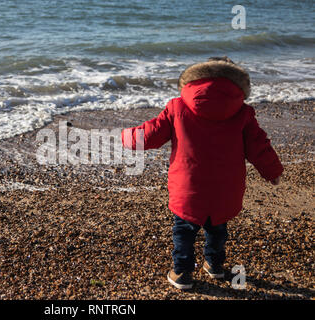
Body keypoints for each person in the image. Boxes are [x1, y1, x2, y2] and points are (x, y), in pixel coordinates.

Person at [121, 57, 283, 289]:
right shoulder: (243, 113)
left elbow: (152, 133)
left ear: (196, 79)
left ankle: (182, 273)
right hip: (225, 189)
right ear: (235, 83)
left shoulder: (177, 107)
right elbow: (259, 146)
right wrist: (273, 171)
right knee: (218, 229)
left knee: (184, 231)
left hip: (188, 188)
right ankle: (215, 266)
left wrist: (126, 137)